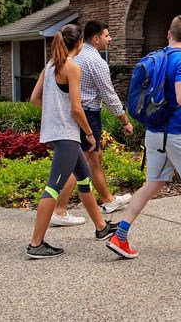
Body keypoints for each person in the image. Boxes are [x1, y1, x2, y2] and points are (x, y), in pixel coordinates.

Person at [107, 15, 181, 259]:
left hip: (155, 132)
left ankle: (120, 235)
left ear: (168, 34)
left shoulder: (156, 58)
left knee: (152, 184)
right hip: (180, 133)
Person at [26, 24, 117, 259]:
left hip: (57, 132)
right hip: (68, 134)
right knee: (53, 186)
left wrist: (54, 113)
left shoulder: (50, 65)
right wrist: (88, 132)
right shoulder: (72, 67)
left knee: (84, 177)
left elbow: (34, 99)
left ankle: (101, 227)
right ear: (79, 44)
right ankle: (36, 244)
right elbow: (77, 109)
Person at [50, 21, 134, 227]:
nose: (110, 39)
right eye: (107, 35)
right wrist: (124, 120)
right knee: (78, 161)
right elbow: (109, 94)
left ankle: (108, 200)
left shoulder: (70, 57)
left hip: (74, 115)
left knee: (93, 157)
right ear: (95, 39)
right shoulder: (96, 62)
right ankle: (59, 210)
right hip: (87, 115)